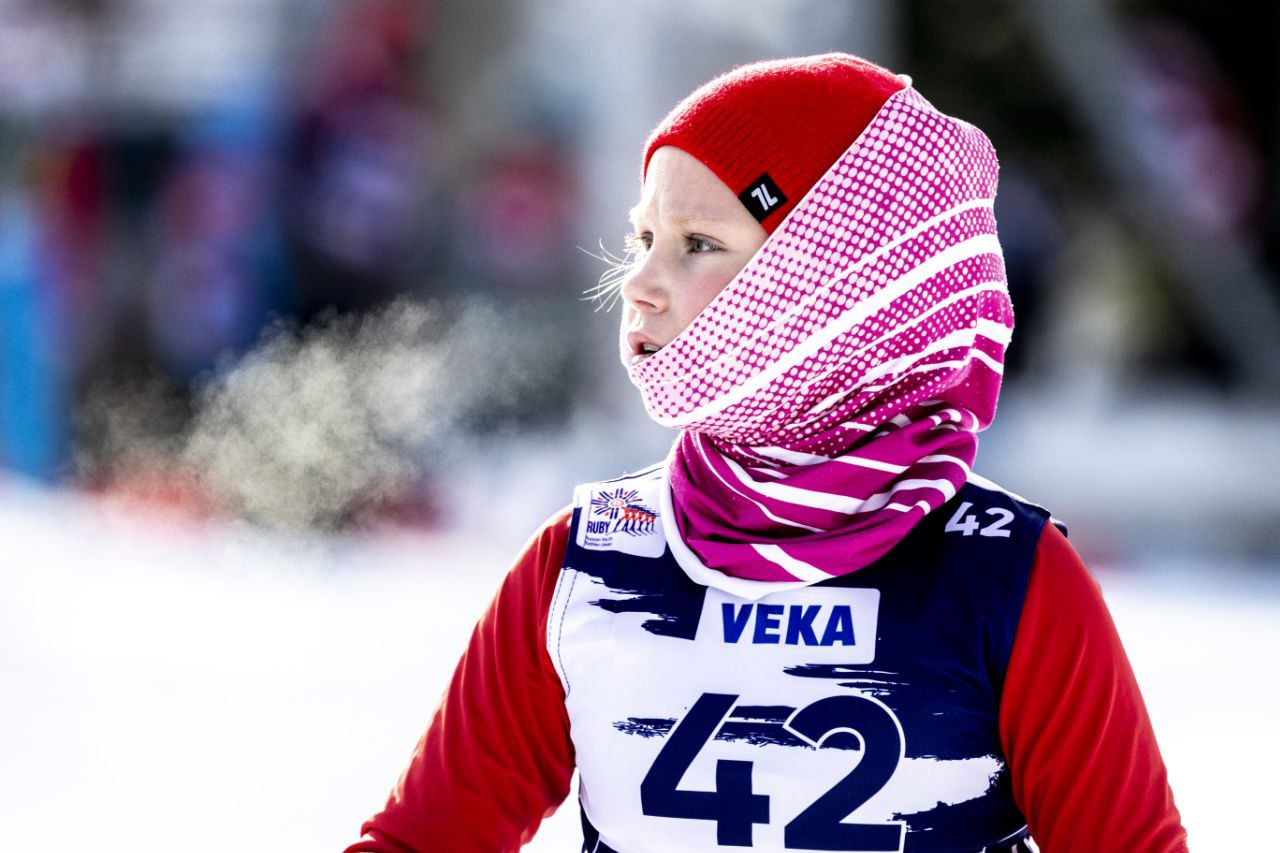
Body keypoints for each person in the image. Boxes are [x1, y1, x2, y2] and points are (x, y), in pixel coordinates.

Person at [346, 54, 1187, 852]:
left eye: (697, 243)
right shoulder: (584, 562)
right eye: (644, 238)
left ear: (836, 283)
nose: (639, 282)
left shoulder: (1004, 579)